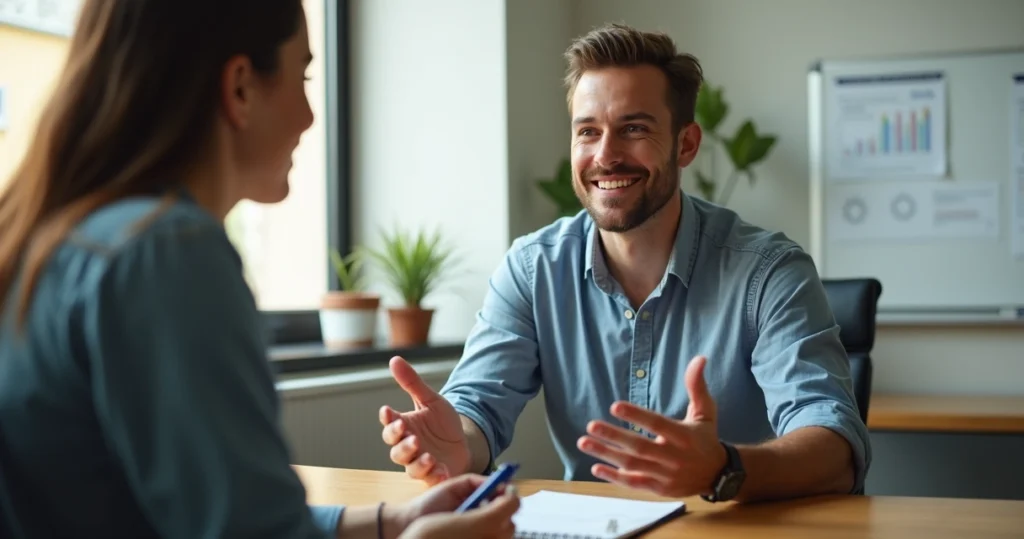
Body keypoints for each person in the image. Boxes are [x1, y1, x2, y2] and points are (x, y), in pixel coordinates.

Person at [0, 1, 518, 538]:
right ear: (241, 87)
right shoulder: (167, 252)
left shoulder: (51, 240)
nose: (311, 116)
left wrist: (390, 522)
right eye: (305, 74)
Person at [379, 22, 871, 504]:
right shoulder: (532, 270)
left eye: (633, 128)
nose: (605, 155)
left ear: (686, 144)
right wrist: (457, 447)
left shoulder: (769, 273)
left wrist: (724, 468)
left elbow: (835, 447)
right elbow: (476, 410)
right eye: (587, 131)